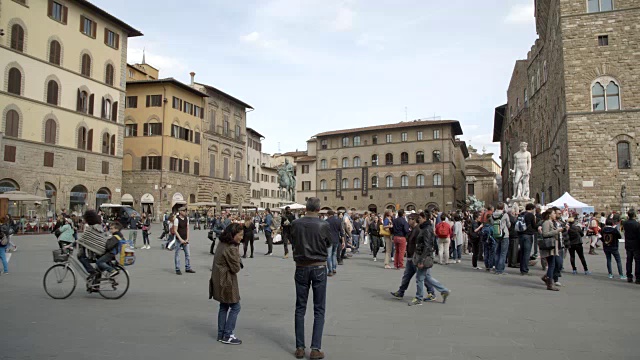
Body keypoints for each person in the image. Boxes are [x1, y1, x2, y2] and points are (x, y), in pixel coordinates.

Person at [290, 198, 330, 360]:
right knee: (319, 309)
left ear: (306, 208)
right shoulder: (323, 225)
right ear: (319, 209)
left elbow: (293, 241)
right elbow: (328, 243)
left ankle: (300, 347)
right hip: (319, 266)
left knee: (300, 307)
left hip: (301, 266)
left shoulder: (296, 224)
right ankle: (315, 348)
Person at [390, 214, 437, 305]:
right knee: (407, 276)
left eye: (409, 219)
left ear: (414, 220)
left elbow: (421, 245)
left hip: (416, 257)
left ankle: (431, 293)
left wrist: (420, 258)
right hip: (411, 257)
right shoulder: (413, 230)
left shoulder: (418, 230)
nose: (408, 221)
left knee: (423, 277)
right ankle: (401, 292)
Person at [210, 223, 244, 345]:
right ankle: (228, 334)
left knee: (223, 306)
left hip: (218, 279)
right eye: (240, 235)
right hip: (227, 281)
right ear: (233, 235)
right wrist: (237, 250)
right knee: (236, 307)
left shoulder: (222, 243)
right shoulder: (231, 248)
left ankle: (221, 333)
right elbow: (235, 268)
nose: (241, 237)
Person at [540, 210, 564, 291]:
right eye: (554, 213)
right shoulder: (547, 222)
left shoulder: (551, 222)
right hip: (549, 246)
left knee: (553, 264)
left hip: (553, 246)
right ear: (550, 215)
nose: (555, 215)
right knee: (552, 265)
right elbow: (545, 233)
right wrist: (557, 231)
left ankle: (547, 278)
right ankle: (549, 282)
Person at [174, 207, 195, 275]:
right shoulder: (177, 220)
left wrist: (187, 238)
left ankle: (188, 267)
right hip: (179, 240)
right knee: (177, 254)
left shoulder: (187, 219)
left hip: (185, 239)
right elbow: (175, 230)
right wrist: (180, 239)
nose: (185, 212)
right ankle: (177, 269)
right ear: (180, 211)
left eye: (185, 211)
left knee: (188, 254)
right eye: (183, 211)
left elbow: (188, 229)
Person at [492, 202, 511, 275]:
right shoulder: (505, 215)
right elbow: (508, 225)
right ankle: (500, 270)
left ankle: (496, 268)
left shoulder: (493, 214)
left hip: (496, 234)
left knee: (497, 252)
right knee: (503, 253)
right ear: (503, 207)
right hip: (504, 234)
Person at [623, 209, 640, 284]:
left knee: (629, 260)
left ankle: (629, 276)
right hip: (636, 244)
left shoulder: (625, 223)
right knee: (637, 261)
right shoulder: (637, 224)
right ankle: (638, 277)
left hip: (628, 243)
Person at [326, 210, 344, 276]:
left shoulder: (326, 221)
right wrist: (343, 241)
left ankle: (330, 270)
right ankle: (334, 268)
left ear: (328, 214)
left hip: (329, 240)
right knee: (334, 254)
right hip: (336, 240)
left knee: (329, 255)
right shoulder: (338, 221)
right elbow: (342, 232)